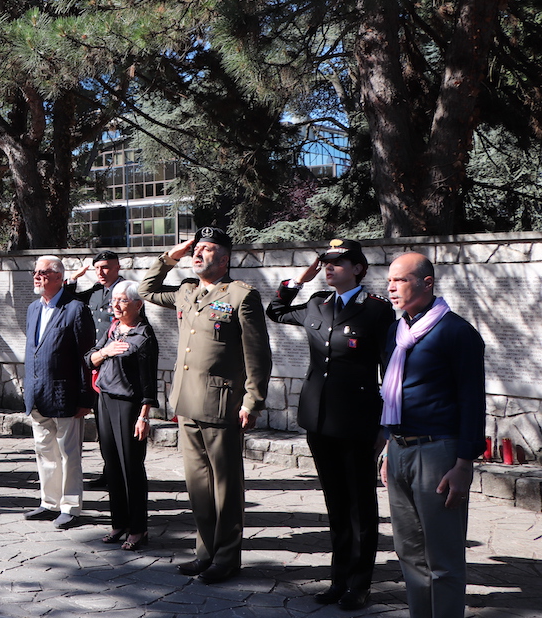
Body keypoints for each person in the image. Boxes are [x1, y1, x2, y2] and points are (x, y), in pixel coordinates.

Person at [266, 239, 394, 609]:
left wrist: (385, 426)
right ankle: (339, 580)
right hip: (318, 419)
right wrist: (300, 279)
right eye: (326, 262)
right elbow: (275, 310)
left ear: (359, 269)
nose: (330, 267)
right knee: (335, 503)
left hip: (357, 421)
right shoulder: (316, 303)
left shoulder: (376, 311)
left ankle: (360, 584)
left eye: (338, 262)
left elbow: (389, 370)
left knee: (359, 506)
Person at [140, 227, 272, 584]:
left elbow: (257, 354)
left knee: (225, 486)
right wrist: (172, 256)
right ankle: (206, 553)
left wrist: (253, 401)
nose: (198, 254)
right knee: (198, 485)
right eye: (196, 248)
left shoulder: (241, 295)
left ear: (225, 259)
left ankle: (227, 557)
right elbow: (146, 290)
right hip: (187, 403)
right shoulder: (186, 291)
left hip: (222, 403)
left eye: (207, 249)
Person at [380, 252, 485, 618]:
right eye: (389, 280)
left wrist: (464, 463)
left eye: (401, 280)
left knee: (443, 558)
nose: (391, 287)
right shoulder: (397, 331)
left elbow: (472, 400)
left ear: (427, 283)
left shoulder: (456, 332)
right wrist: (387, 446)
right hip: (399, 450)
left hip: (437, 453)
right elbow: (390, 392)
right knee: (409, 553)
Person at [23, 255, 96, 529]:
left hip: (66, 396)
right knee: (44, 451)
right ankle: (49, 502)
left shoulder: (76, 309)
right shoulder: (33, 308)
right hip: (38, 395)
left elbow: (85, 357)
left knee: (69, 454)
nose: (36, 276)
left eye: (42, 272)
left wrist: (85, 397)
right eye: (35, 272)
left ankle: (70, 506)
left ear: (58, 277)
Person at [84, 281, 158, 551]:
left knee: (131, 468)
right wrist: (104, 352)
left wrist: (144, 416)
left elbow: (149, 383)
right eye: (114, 300)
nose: (115, 305)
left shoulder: (144, 336)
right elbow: (89, 359)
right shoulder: (113, 330)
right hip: (104, 401)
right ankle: (118, 523)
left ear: (138, 305)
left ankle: (138, 529)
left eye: (122, 300)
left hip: (129, 406)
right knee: (111, 465)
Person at [67, 250, 126, 488]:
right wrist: (74, 278)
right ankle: (109, 470)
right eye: (97, 268)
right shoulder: (94, 292)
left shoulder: (127, 290)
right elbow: (69, 300)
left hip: (117, 362)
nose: (101, 272)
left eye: (106, 267)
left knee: (116, 422)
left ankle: (120, 470)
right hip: (95, 360)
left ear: (117, 267)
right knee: (102, 422)